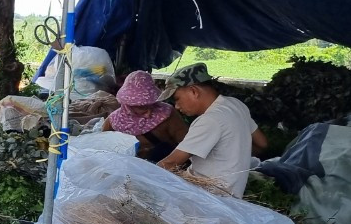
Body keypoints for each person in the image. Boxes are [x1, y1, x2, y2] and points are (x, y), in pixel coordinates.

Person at [156, 63, 267, 197]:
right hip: (232, 195)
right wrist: (235, 154)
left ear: (194, 91)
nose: (177, 106)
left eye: (177, 99)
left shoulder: (210, 120)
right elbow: (262, 144)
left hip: (208, 198)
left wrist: (140, 177)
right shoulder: (235, 104)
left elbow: (171, 162)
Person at [102, 70, 188, 162]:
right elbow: (104, 149)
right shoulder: (113, 122)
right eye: (141, 107)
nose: (148, 113)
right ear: (128, 104)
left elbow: (186, 143)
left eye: (151, 104)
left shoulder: (167, 114)